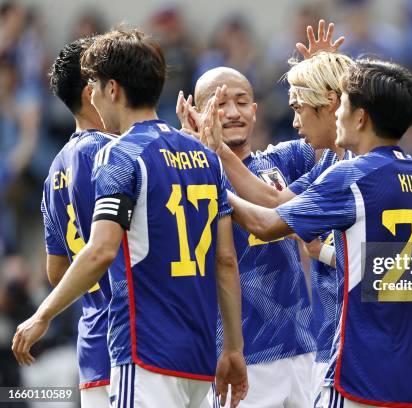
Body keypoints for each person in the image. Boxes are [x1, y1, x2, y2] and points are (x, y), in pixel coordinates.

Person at [12, 29, 247, 408]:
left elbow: (99, 251)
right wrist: (234, 347)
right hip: (201, 354)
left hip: (143, 349)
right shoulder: (207, 157)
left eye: (98, 85)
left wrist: (42, 315)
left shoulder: (117, 156)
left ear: (113, 90)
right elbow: (225, 260)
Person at [206, 58, 412, 407]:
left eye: (343, 104)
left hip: (361, 374)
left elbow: (266, 223)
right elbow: (410, 268)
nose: (336, 112)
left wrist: (213, 181)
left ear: (360, 117)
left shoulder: (351, 177)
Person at [187, 66, 318, 408]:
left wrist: (325, 75)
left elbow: (335, 137)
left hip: (304, 346)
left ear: (255, 110)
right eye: (219, 104)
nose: (232, 113)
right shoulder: (191, 181)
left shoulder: (288, 159)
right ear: (196, 113)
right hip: (245, 357)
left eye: (242, 102)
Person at [41, 36, 114, 407]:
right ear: (92, 92)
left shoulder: (55, 168)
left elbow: (56, 272)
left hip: (92, 345)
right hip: (133, 342)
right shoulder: (112, 152)